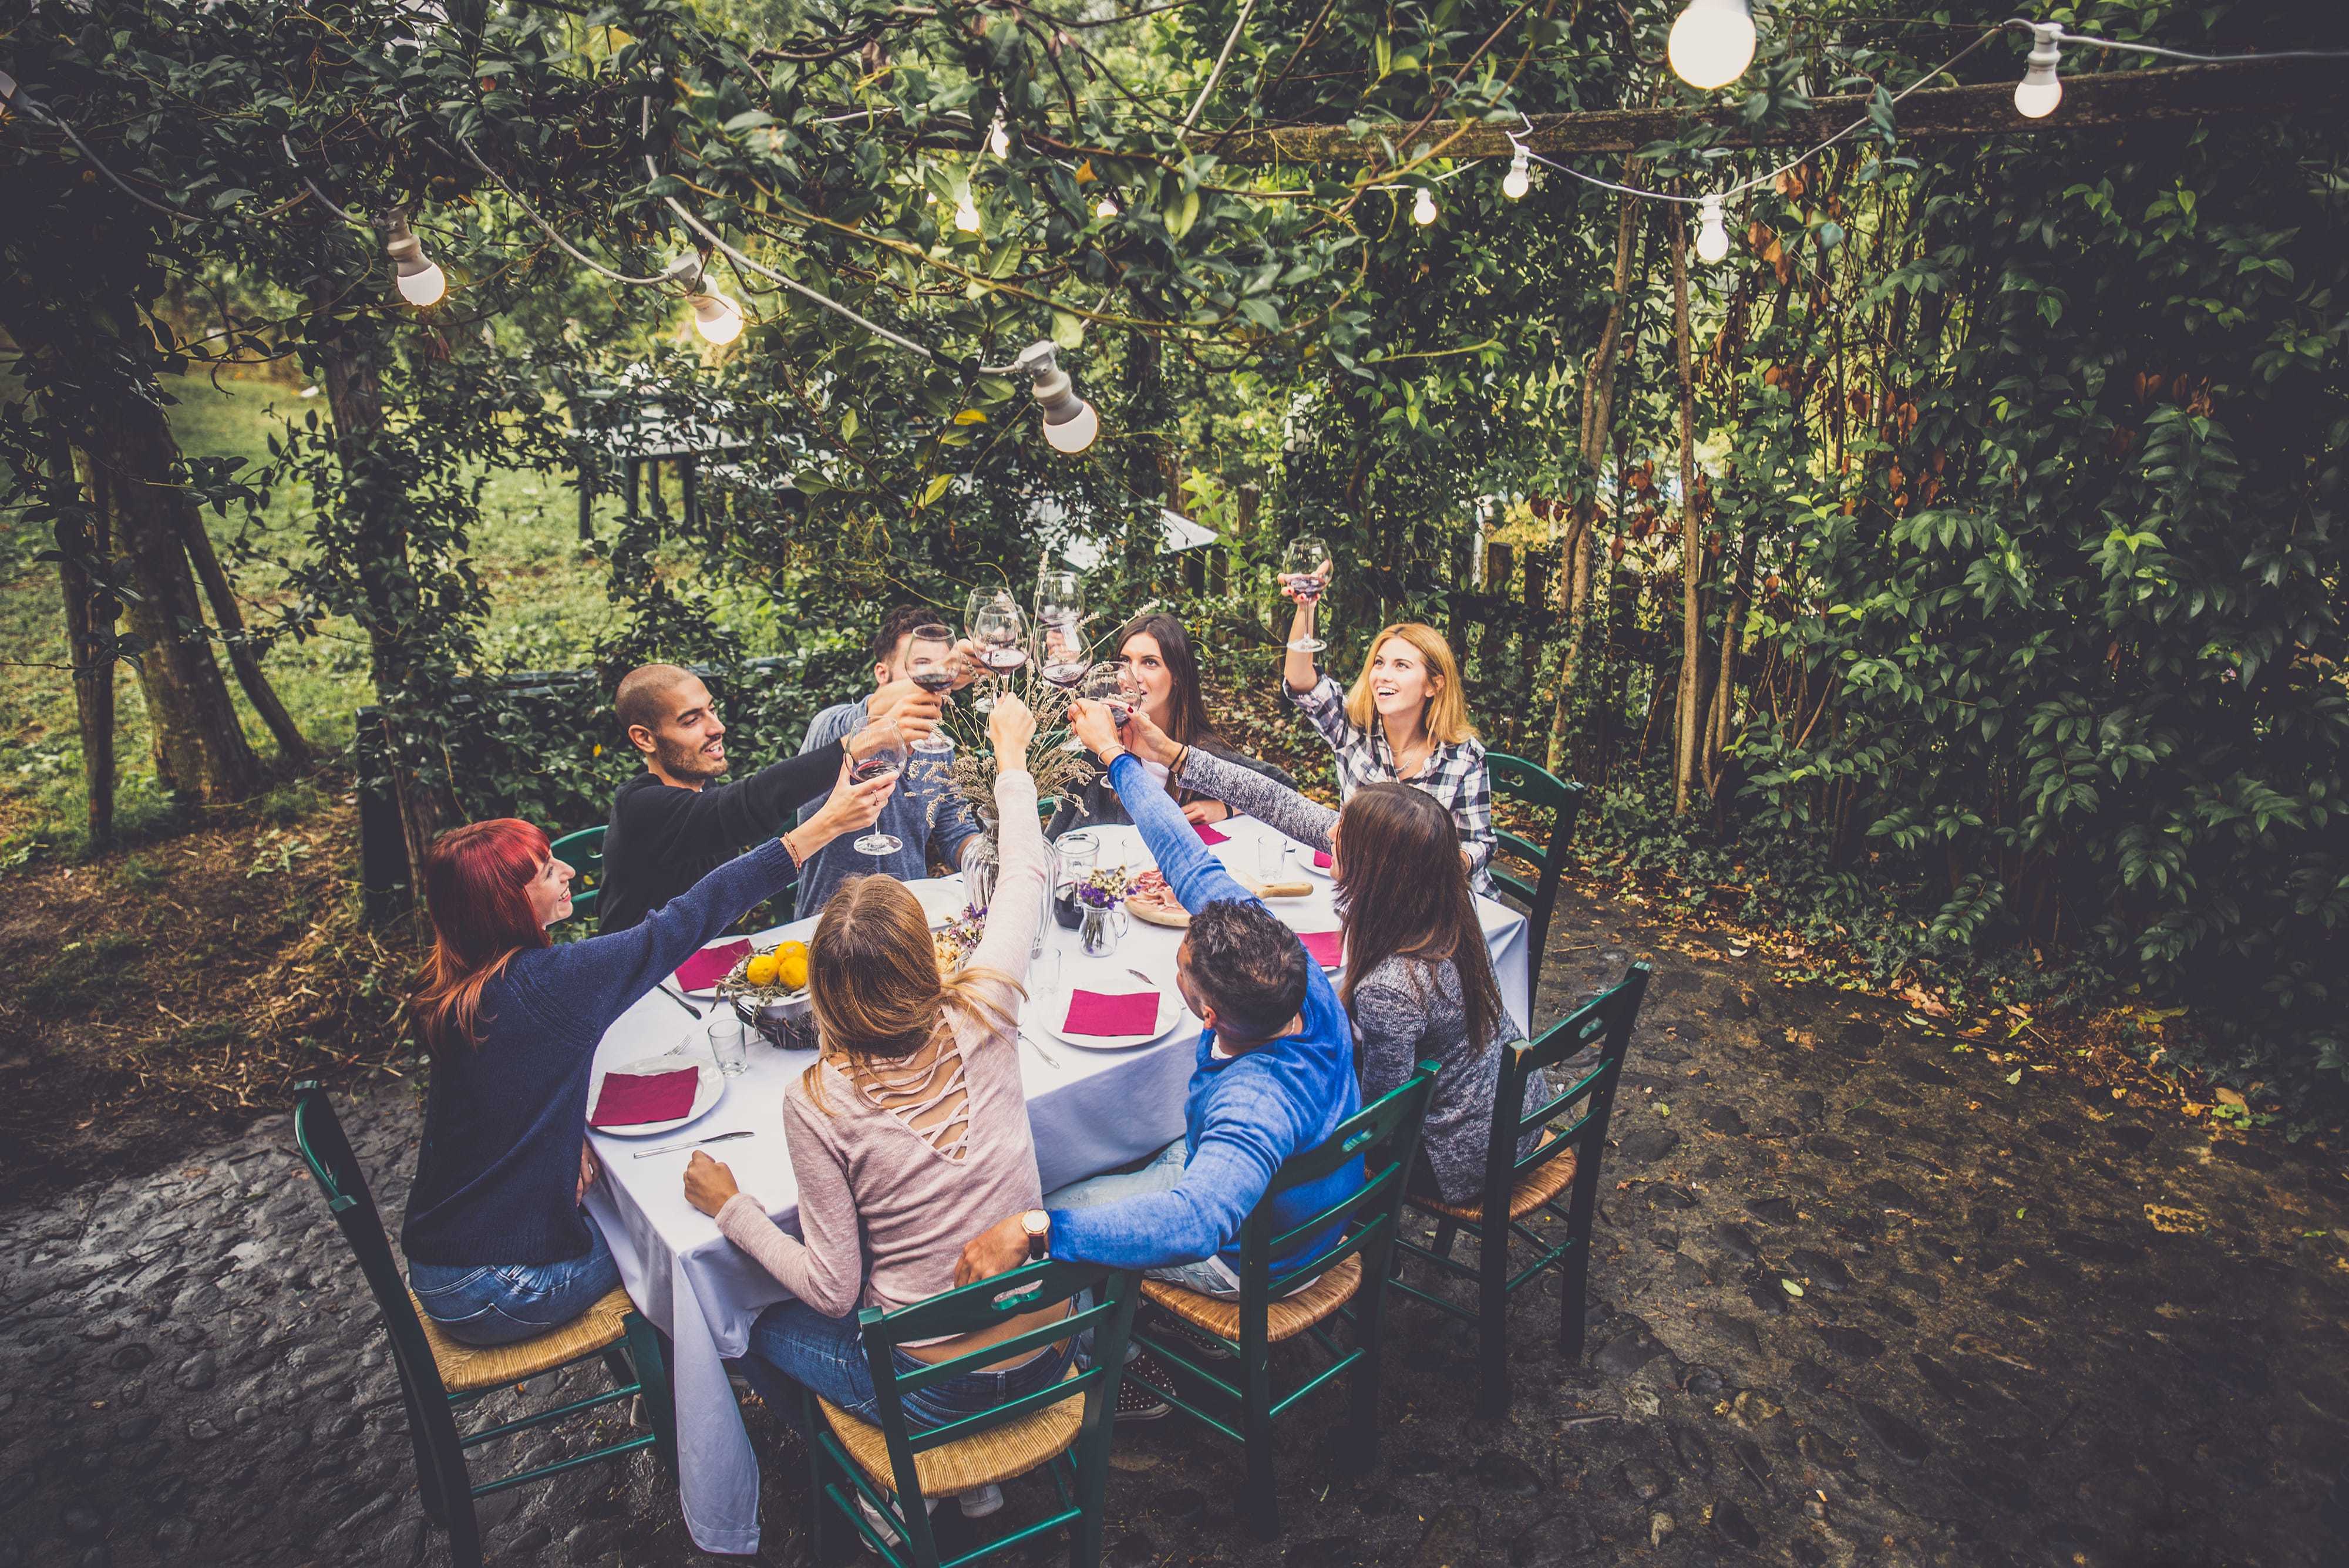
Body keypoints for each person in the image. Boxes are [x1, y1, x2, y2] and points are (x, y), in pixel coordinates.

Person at [683, 695, 1101, 1526]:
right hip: (1054, 1351)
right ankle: (963, 1476)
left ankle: (898, 1481)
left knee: (742, 1321)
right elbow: (1023, 871)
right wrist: (1011, 758)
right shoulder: (989, 1008)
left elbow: (834, 1290)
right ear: (930, 954)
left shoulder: (821, 1103)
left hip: (940, 1392)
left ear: (821, 992)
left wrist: (731, 1208)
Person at [401, 761, 896, 1347]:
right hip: (502, 1288)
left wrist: (566, 1135)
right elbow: (685, 921)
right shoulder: (549, 984)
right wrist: (818, 829)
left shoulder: (457, 986)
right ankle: (723, 1372)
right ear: (502, 906)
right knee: (691, 1243)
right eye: (544, 872)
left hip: (443, 1260)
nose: (566, 872)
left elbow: (505, 1093)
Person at [957, 696, 1362, 1300]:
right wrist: (1114, 753)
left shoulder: (1254, 1103)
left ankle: (1116, 1362)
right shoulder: (1290, 965)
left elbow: (1195, 1222)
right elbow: (1183, 852)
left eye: (1182, 970)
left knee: (1050, 1204)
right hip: (1298, 1196)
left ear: (1208, 1016)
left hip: (1258, 1258)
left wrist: (1035, 1230)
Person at [1104, 706, 1534, 1206]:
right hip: (1512, 1104)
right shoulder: (1445, 906)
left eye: (1340, 834)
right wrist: (1168, 753)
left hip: (1458, 1155)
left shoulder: (1393, 987)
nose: (1328, 834)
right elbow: (1278, 802)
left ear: (1376, 869)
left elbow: (1374, 1121)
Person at [597, 662, 938, 933]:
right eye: (691, 721)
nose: (717, 728)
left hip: (705, 968)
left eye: (712, 710)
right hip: (641, 991)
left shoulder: (704, 790)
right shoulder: (640, 808)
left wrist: (941, 672)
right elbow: (741, 809)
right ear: (644, 739)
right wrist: (856, 746)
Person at [793, 606, 988, 918]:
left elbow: (954, 829)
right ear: (882, 674)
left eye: (942, 667)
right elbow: (854, 723)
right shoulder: (832, 726)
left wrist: (992, 861)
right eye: (922, 665)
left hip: (906, 921)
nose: (934, 676)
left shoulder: (936, 745)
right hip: (827, 925)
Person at [1281, 614, 1496, 898]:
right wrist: (1305, 607)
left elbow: (1478, 843)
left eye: (1401, 666)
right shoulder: (1353, 729)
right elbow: (1299, 679)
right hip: (1366, 891)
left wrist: (1441, 863)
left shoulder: (1464, 756)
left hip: (1440, 904)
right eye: (1379, 663)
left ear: (1434, 685)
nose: (1383, 675)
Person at [1046, 612, 1294, 839]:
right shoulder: (1102, 751)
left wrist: (1226, 807)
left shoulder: (1197, 751)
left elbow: (1283, 789)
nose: (1132, 677)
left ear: (1177, 675)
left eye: (1150, 663)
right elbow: (1056, 837)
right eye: (1125, 661)